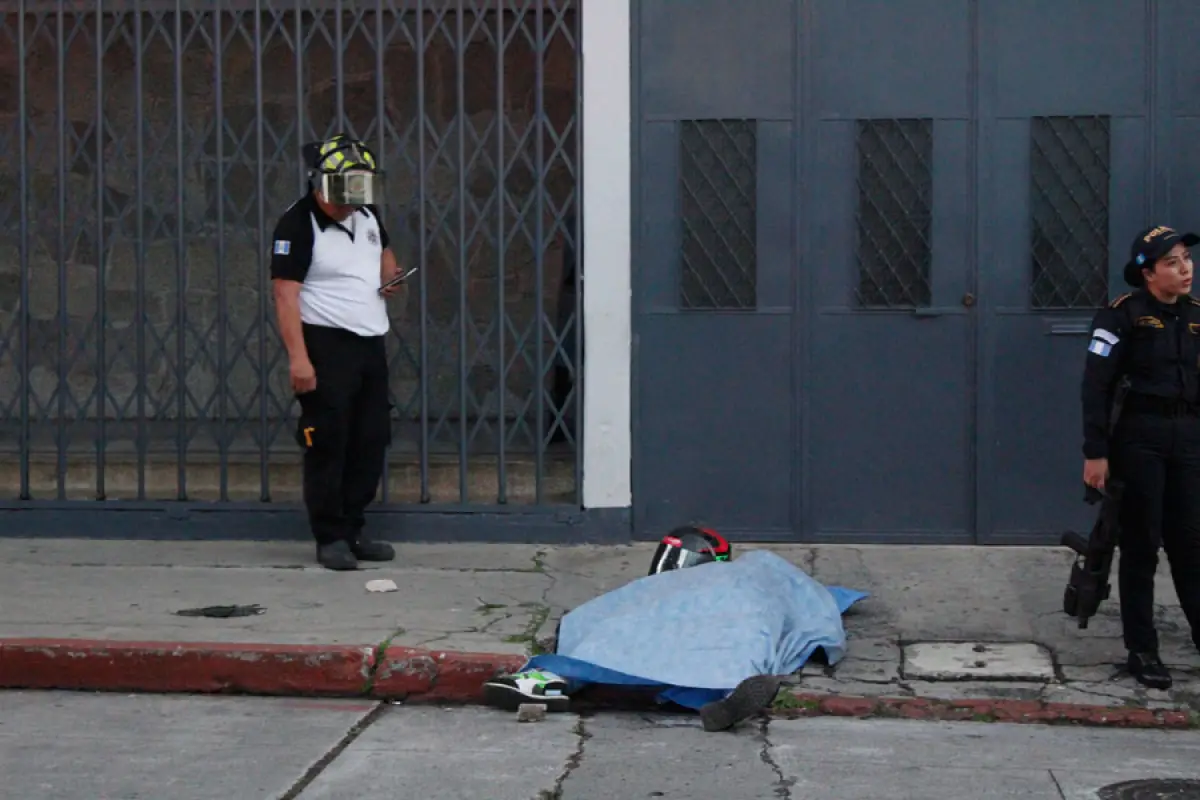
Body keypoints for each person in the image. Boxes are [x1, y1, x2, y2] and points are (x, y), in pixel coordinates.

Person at [269, 134, 408, 571]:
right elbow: (285, 297)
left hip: (369, 343)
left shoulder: (366, 214)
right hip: (325, 345)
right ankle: (330, 536)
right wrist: (299, 359)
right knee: (328, 442)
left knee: (370, 440)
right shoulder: (297, 224)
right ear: (324, 183)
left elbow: (383, 250)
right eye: (348, 187)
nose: (355, 198)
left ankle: (354, 528)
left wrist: (390, 275)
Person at [1080, 224, 1200, 689]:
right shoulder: (1121, 316)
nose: (1185, 268)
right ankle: (1143, 648)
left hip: (1188, 436)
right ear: (1147, 273)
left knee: (1190, 543)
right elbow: (1095, 387)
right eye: (1172, 262)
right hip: (1139, 439)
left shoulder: (1195, 316)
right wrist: (1096, 453)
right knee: (1141, 547)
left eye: (1186, 258)